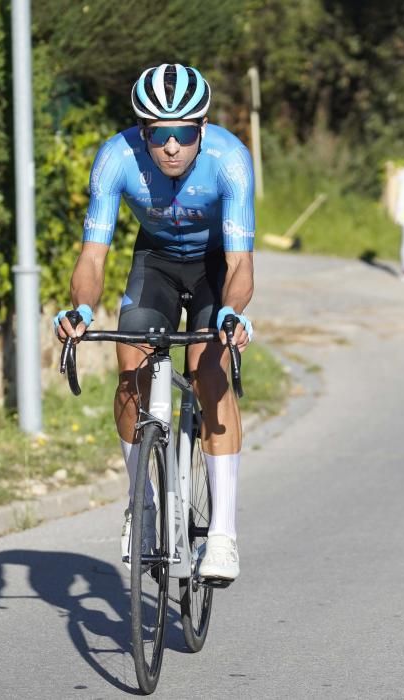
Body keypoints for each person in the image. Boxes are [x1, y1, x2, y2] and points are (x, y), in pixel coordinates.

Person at [54, 63, 255, 582]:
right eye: (159, 135)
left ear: (202, 129)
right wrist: (80, 309)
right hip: (156, 263)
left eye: (183, 133)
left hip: (215, 266)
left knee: (209, 373)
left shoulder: (230, 159)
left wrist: (232, 314)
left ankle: (224, 535)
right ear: (142, 132)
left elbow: (239, 266)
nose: (171, 147)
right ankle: (142, 506)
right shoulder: (116, 158)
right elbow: (93, 257)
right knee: (130, 373)